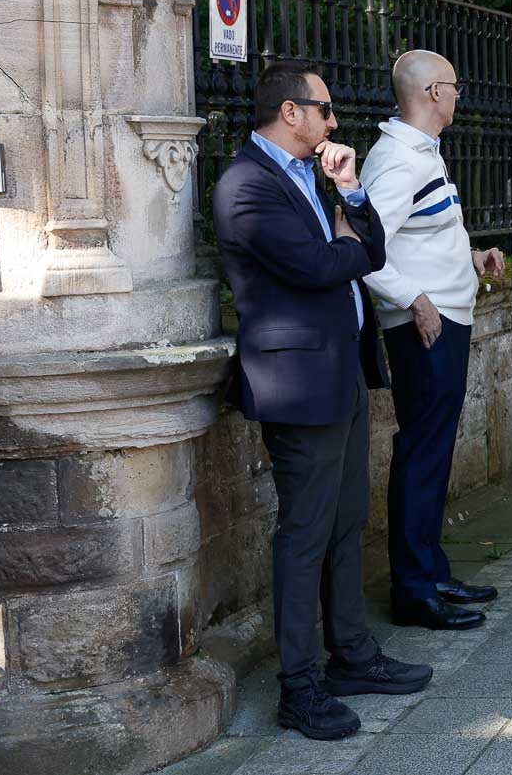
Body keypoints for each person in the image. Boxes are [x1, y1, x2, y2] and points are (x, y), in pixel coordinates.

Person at [212, 60, 431, 741]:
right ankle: (298, 688)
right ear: (291, 113)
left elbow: (366, 245)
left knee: (344, 523)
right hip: (298, 387)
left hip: (340, 374)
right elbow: (318, 267)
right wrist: (346, 245)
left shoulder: (308, 175)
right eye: (325, 110)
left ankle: (352, 656)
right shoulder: (247, 186)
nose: (335, 122)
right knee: (303, 536)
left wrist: (350, 193)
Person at [358, 50, 503, 630]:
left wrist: (469, 256)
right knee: (422, 451)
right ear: (434, 92)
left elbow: (417, 236)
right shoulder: (398, 162)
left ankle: (432, 572)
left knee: (434, 449)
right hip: (426, 325)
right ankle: (414, 589)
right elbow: (364, 251)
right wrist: (415, 299)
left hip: (443, 317)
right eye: (455, 86)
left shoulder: (421, 154)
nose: (459, 96)